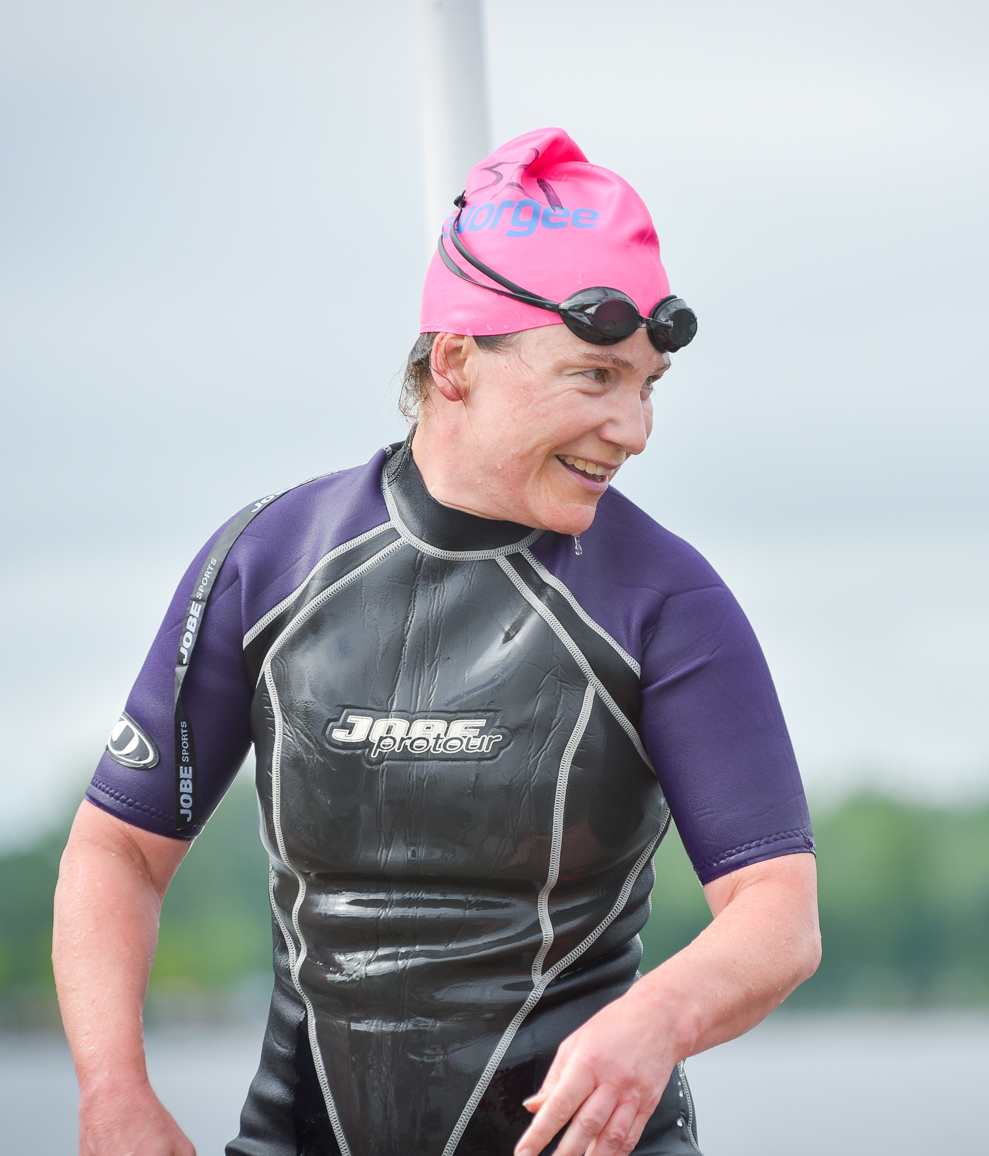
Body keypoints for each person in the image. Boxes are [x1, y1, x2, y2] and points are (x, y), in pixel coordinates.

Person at [52, 128, 821, 1156]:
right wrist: (113, 1090)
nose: (635, 428)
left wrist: (656, 1019)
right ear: (456, 361)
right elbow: (118, 849)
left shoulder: (663, 599)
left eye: (648, 385)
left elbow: (777, 912)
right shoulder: (269, 561)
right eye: (595, 376)